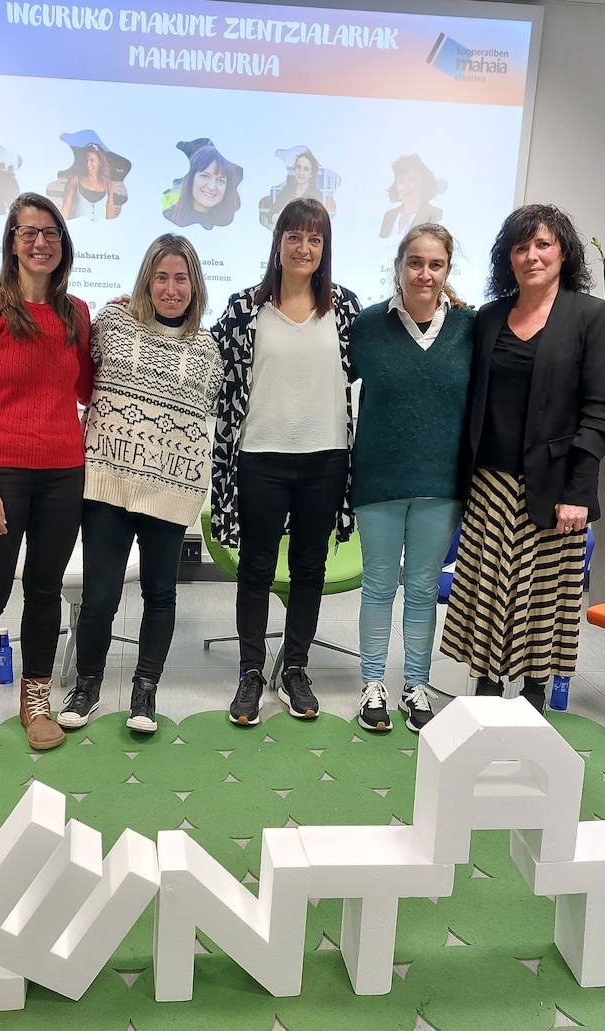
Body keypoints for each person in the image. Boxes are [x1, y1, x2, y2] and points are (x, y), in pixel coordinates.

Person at [439, 203, 605, 712]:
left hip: (554, 489)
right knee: (489, 602)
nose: (532, 256)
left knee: (540, 607)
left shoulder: (590, 316)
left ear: (563, 251)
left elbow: (601, 408)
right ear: (508, 259)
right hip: (490, 486)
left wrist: (579, 492)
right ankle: (485, 700)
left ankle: (532, 708)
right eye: (521, 247)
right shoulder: (490, 317)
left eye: (543, 244)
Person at [0, 193, 94, 760]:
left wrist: (127, 326)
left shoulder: (75, 314)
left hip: (63, 475)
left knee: (44, 591)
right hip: (0, 475)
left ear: (62, 243)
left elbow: (85, 388)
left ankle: (36, 702)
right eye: (28, 232)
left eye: (50, 232)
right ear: (11, 241)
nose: (39, 242)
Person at [58, 235, 221, 734]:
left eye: (181, 278)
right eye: (161, 277)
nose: (171, 289)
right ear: (146, 280)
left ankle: (145, 691)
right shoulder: (110, 324)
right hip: (108, 484)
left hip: (170, 492)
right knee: (100, 597)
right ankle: (87, 687)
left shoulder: (208, 350)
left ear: (195, 283)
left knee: (161, 594)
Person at [210, 198, 360, 726]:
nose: (304, 248)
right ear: (277, 243)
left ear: (325, 249)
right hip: (260, 457)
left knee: (309, 569)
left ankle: (294, 667)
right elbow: (200, 361)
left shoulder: (344, 308)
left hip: (326, 458)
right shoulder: (245, 308)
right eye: (294, 237)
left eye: (315, 239)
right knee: (255, 569)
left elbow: (383, 354)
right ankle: (251, 672)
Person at [348, 224, 474, 734]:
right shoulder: (367, 326)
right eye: (415, 263)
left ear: (447, 271)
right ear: (398, 267)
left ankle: (415, 685)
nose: (425, 274)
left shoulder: (469, 329)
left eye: (436, 264)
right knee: (379, 585)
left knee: (422, 589)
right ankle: (373, 684)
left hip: (441, 485)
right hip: (378, 480)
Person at [164, 144, 242, 229]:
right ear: (191, 178)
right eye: (205, 176)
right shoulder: (169, 218)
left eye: (220, 180)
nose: (212, 187)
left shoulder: (231, 228)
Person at [378, 154, 443, 239]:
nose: (406, 186)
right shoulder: (389, 216)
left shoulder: (434, 214)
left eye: (412, 179)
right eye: (401, 181)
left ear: (423, 183)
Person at [265, 149, 336, 224]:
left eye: (306, 169)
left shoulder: (317, 195)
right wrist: (278, 219)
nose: (301, 172)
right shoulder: (287, 190)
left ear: (311, 174)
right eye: (298, 167)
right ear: (294, 169)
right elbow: (271, 214)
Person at [61, 143, 119, 222]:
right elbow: (65, 209)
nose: (88, 164)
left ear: (100, 162)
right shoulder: (74, 180)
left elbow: (110, 216)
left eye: (92, 160)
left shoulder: (108, 185)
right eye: (86, 160)